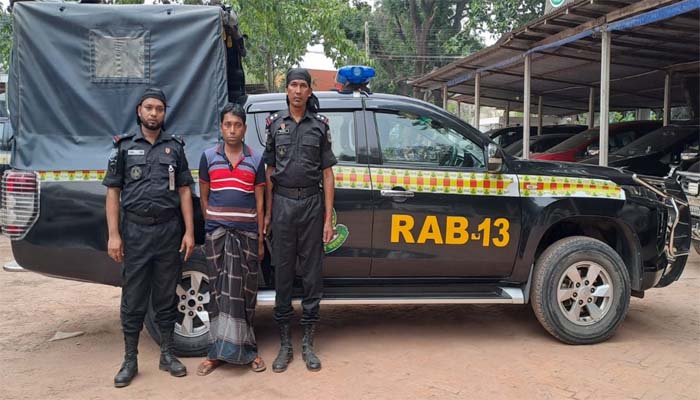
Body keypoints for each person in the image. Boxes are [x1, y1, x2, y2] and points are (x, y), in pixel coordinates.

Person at [103, 87, 195, 387]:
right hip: (136, 232)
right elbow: (113, 193)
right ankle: (130, 359)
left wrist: (190, 232)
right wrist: (114, 235)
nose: (154, 113)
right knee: (133, 298)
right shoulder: (124, 147)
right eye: (149, 108)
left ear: (165, 113)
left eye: (159, 108)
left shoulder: (175, 147)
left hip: (169, 231)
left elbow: (184, 191)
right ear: (140, 110)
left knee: (166, 295)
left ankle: (167, 354)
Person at [263, 68, 337, 372]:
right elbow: (269, 172)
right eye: (292, 85)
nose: (297, 90)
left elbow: (328, 173)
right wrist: (268, 212)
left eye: (302, 86)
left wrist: (328, 218)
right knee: (282, 273)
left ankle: (307, 342)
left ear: (309, 91)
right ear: (287, 90)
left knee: (311, 274)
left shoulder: (319, 126)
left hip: (310, 203)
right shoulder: (275, 125)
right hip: (281, 204)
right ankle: (284, 345)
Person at [196, 103, 266, 376]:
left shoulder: (256, 160)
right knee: (217, 295)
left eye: (237, 125)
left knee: (246, 296)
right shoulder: (207, 157)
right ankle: (215, 353)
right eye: (228, 124)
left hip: (247, 235)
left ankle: (249, 350)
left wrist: (259, 238)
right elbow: (204, 196)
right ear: (221, 127)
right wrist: (214, 225)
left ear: (245, 129)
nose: (233, 130)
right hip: (218, 236)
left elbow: (260, 203)